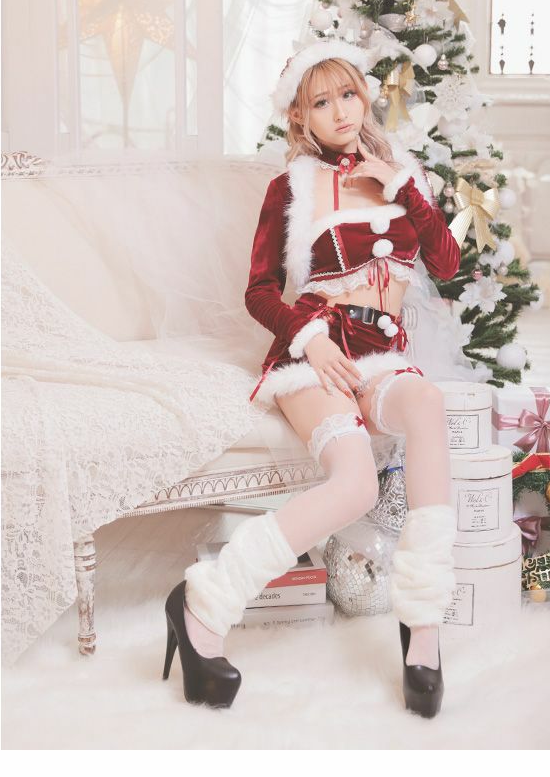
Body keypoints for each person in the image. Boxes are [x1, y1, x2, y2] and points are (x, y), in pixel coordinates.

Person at [163, 39, 460, 717]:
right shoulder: (290, 188)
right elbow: (259, 290)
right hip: (316, 350)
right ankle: (204, 603)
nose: (340, 111)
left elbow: (447, 262)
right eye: (321, 102)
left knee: (426, 402)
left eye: (348, 94)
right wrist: (309, 336)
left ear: (365, 94)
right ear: (299, 117)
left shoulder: (398, 173)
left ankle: (423, 624)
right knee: (355, 483)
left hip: (382, 352)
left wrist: (402, 185)